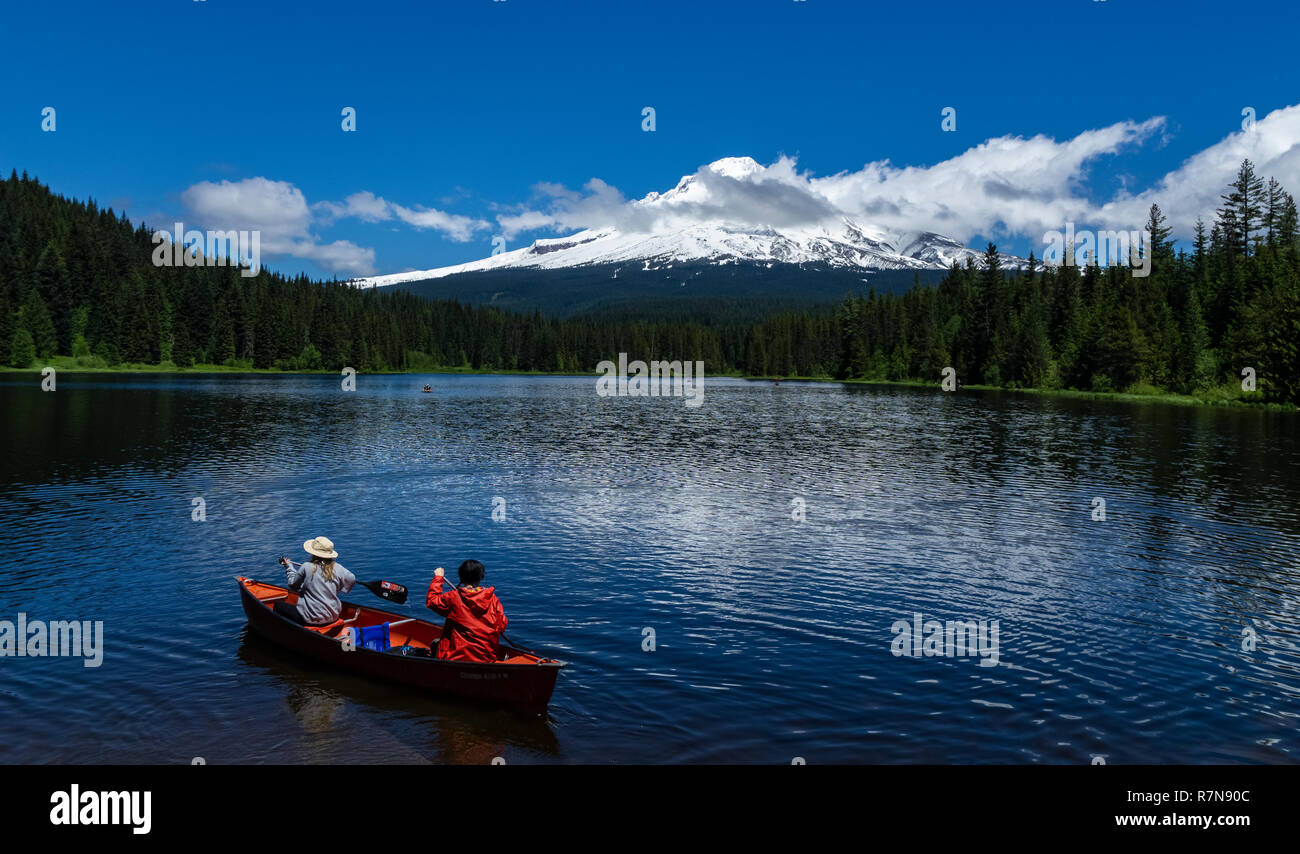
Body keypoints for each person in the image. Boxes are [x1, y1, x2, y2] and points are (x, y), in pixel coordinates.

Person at [425, 560, 508, 662]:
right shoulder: (492, 599)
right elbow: (502, 626)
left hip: (455, 657)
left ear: (461, 577)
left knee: (435, 644)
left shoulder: (453, 597)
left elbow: (432, 601)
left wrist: (438, 578)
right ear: (481, 577)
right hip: (486, 657)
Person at [275, 536, 356, 626]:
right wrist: (340, 588)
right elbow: (351, 578)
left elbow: (292, 585)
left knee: (278, 605)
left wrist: (289, 567)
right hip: (333, 616)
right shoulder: (339, 568)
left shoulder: (306, 566)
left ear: (314, 553)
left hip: (311, 618)